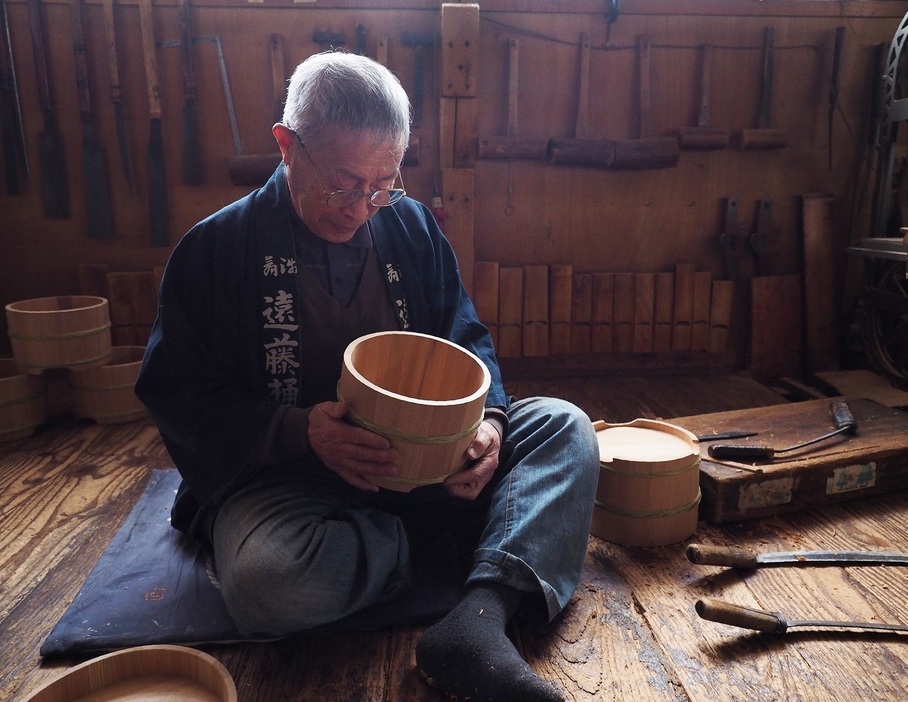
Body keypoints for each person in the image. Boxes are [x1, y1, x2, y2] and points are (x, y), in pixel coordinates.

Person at [135, 50, 600, 702]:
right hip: (296, 483)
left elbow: (462, 332)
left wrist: (488, 421)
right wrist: (297, 431)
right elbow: (178, 392)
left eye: (384, 183)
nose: (362, 207)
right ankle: (449, 543)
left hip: (431, 456)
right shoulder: (216, 251)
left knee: (563, 428)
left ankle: (477, 619)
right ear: (286, 145)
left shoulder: (407, 226)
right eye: (344, 185)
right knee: (269, 585)